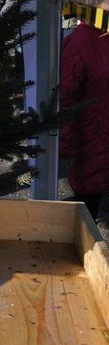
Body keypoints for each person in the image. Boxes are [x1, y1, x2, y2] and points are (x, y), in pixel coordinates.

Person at [60, 18, 109, 220]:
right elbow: (65, 98)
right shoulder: (80, 42)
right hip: (94, 142)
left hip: (97, 137)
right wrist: (68, 146)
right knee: (86, 220)